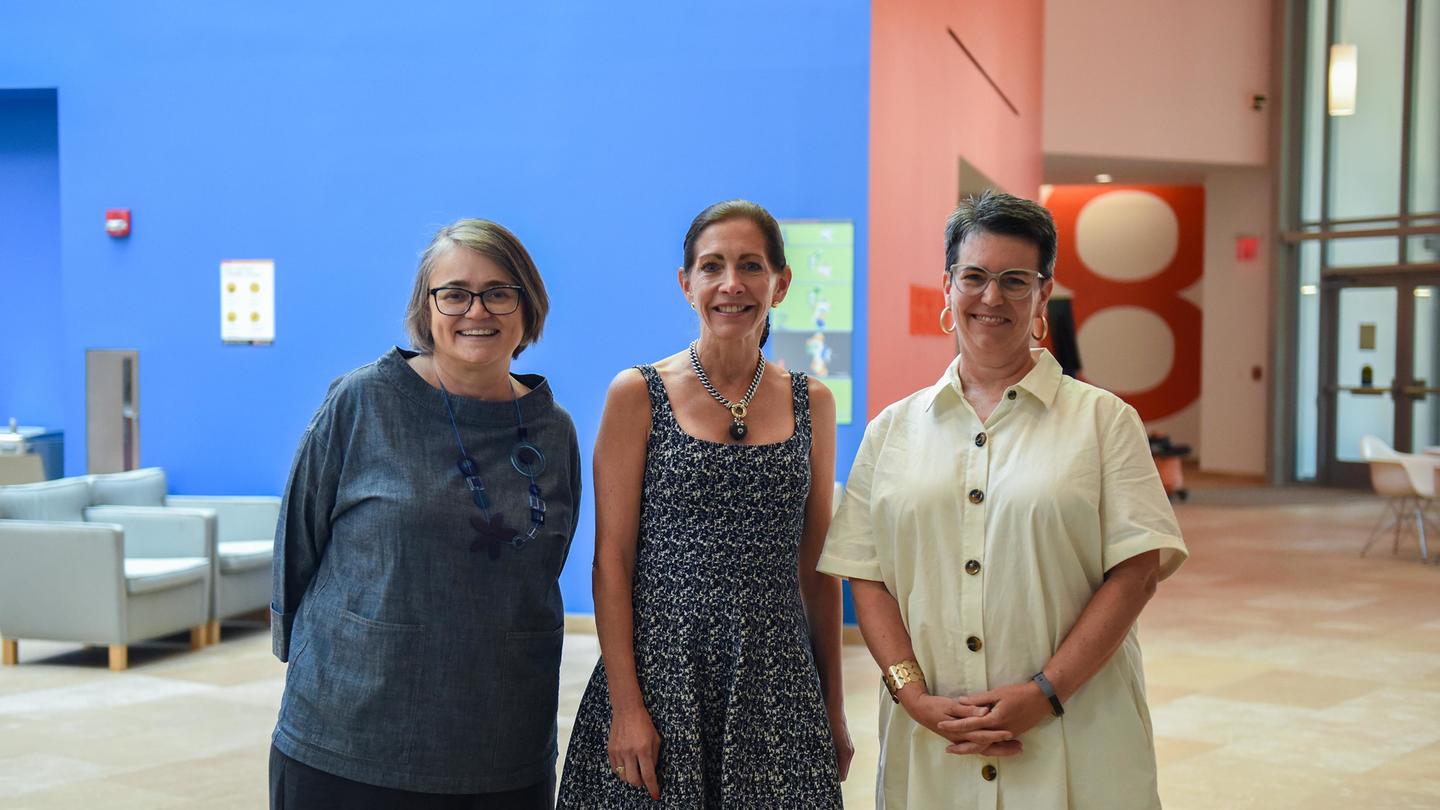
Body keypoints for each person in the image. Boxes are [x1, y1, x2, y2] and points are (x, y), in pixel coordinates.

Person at [818, 190, 1188, 809]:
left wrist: (1045, 692)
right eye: (975, 277)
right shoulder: (892, 430)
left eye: (1015, 281)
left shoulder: (1104, 422)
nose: (992, 298)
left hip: (1076, 731)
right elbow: (867, 574)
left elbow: (1137, 571)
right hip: (935, 738)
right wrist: (913, 696)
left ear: (1043, 294)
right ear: (947, 285)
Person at [269, 219, 580, 809]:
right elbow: (297, 543)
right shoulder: (361, 403)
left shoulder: (551, 428)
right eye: (455, 292)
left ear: (526, 306)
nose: (476, 310)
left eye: (499, 291)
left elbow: (543, 566)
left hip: (501, 746)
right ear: (426, 306)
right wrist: (314, 665)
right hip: (348, 739)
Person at [558, 200, 851, 807]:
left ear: (781, 282)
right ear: (685, 282)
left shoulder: (811, 402)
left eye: (750, 266)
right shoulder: (638, 393)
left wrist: (834, 706)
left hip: (775, 685)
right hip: (662, 676)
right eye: (712, 266)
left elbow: (818, 568)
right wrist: (626, 708)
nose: (731, 284)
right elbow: (610, 563)